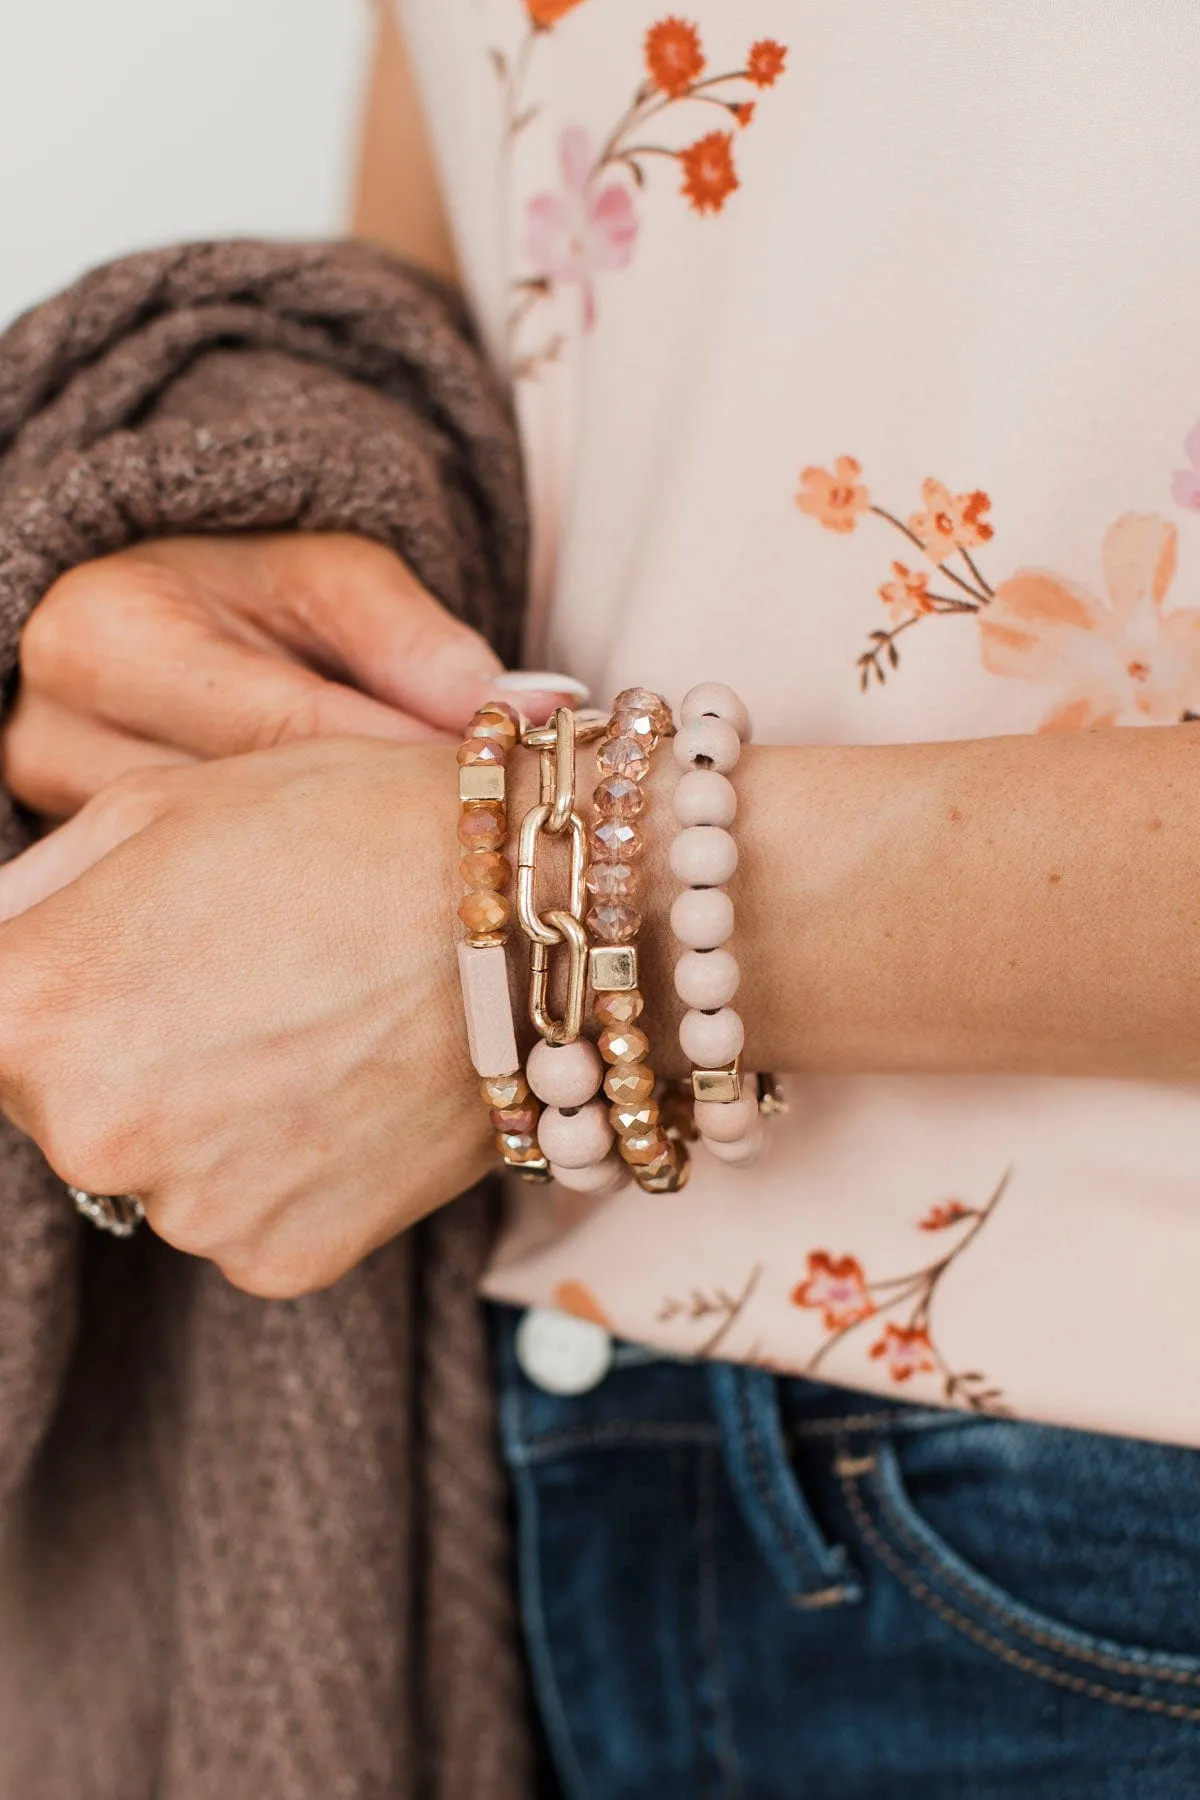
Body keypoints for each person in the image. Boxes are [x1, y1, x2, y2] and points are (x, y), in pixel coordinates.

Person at [4, 2, 1200, 1793]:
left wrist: (526, 910)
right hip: (555, 1446)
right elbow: (493, 283)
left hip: (1122, 1492)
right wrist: (227, 555)